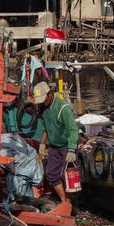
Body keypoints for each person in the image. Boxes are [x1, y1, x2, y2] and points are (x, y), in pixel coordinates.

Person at [33, 81, 79, 212]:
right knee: (51, 173)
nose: (43, 102)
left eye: (44, 99)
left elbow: (73, 129)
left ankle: (68, 203)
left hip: (66, 146)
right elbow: (45, 128)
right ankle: (64, 201)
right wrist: (42, 144)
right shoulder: (43, 108)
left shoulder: (63, 107)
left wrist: (71, 150)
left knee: (68, 176)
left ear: (50, 94)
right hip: (53, 146)